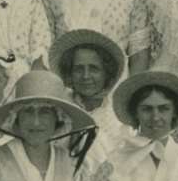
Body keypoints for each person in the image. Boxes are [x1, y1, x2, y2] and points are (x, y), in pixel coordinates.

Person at [50, 28, 128, 169]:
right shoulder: (59, 107)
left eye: (94, 69)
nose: (86, 76)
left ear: (107, 73)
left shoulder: (118, 115)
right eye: (79, 69)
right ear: (70, 73)